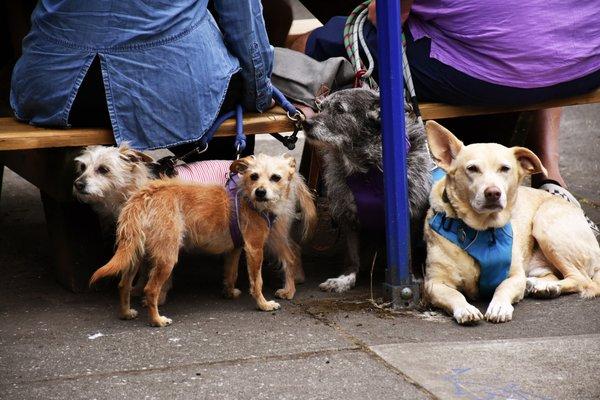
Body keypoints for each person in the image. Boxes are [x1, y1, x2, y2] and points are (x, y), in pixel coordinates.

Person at [290, 0, 600, 192]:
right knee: (542, 33)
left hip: (486, 69)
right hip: (583, 63)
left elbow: (387, 13)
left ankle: (338, 189)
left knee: (316, 42)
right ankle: (551, 175)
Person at [10, 0, 275, 158]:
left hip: (53, 87)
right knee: (231, 117)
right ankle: (229, 228)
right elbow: (242, 21)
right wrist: (258, 94)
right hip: (175, 87)